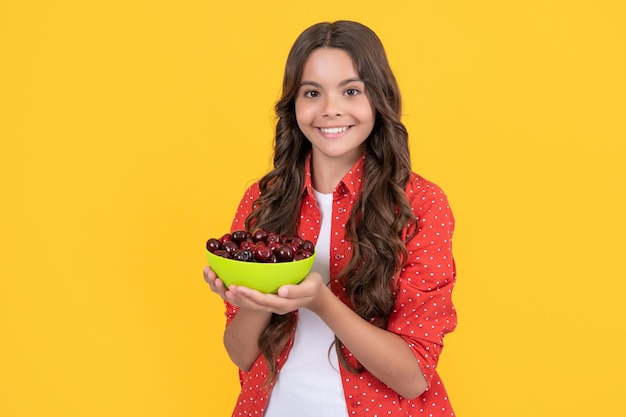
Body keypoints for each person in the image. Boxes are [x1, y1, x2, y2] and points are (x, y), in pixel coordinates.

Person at [203, 20, 457, 417]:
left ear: (379, 98)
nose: (330, 109)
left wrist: (323, 303)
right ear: (294, 104)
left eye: (351, 90)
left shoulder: (420, 204)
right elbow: (240, 354)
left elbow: (412, 377)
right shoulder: (264, 200)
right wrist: (256, 299)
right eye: (312, 93)